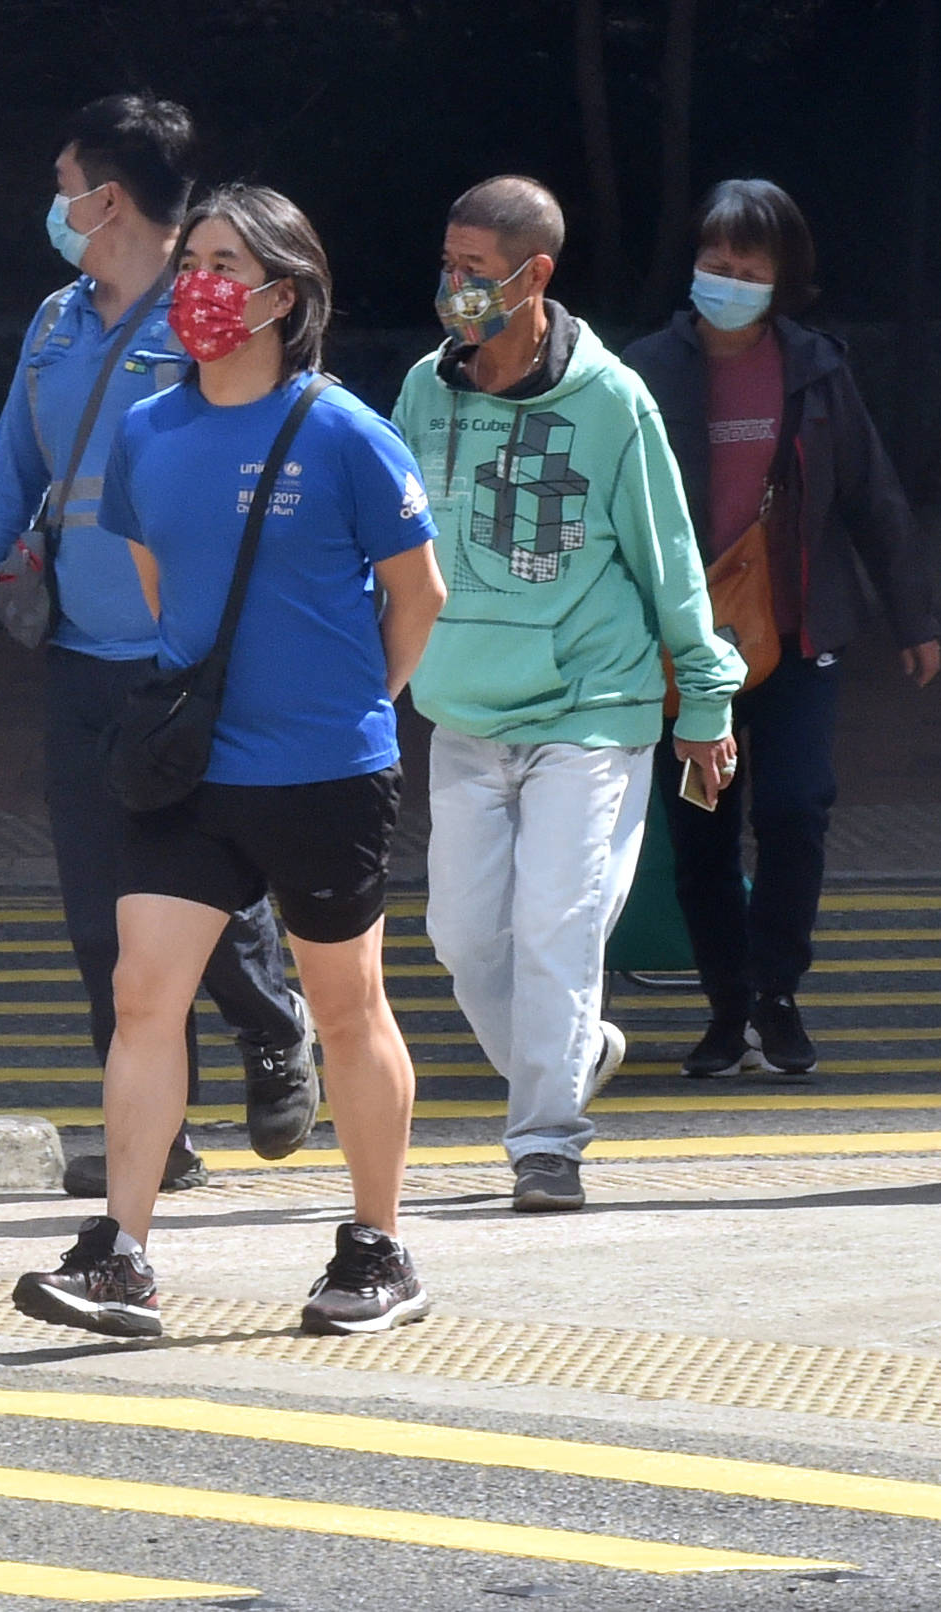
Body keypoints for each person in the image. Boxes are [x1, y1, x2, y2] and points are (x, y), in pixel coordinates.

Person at [13, 184, 445, 1339]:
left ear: (281, 295)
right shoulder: (149, 433)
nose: (196, 283)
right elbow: (164, 593)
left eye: (222, 262)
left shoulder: (345, 431)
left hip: (324, 772)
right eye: (190, 257)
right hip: (192, 770)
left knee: (346, 1010)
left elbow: (417, 596)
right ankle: (122, 1254)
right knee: (142, 991)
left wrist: (358, 710)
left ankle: (377, 1246)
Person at [0, 95, 316, 1195]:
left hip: (184, 657)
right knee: (101, 914)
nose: (53, 207)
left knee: (196, 889)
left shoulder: (206, 319)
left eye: (63, 187)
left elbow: (268, 455)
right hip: (79, 655)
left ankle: (275, 1025)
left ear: (109, 198)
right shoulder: (53, 323)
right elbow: (11, 470)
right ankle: (156, 1136)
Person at [391, 177, 743, 1216]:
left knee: (557, 923)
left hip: (591, 706)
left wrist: (704, 704)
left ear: (531, 274)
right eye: (445, 264)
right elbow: (391, 547)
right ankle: (575, 1050)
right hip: (461, 708)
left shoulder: (610, 401)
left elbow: (668, 559)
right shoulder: (423, 388)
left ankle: (545, 1141)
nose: (450, 286)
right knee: (460, 938)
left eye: (471, 270)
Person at [623, 179, 941, 1078]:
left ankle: (778, 995)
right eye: (712, 264)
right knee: (701, 829)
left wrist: (910, 616)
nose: (725, 279)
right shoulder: (645, 369)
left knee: (797, 808)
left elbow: (871, 497)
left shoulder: (815, 367)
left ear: (781, 278)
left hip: (802, 633)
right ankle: (726, 1007)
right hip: (684, 647)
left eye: (746, 268)